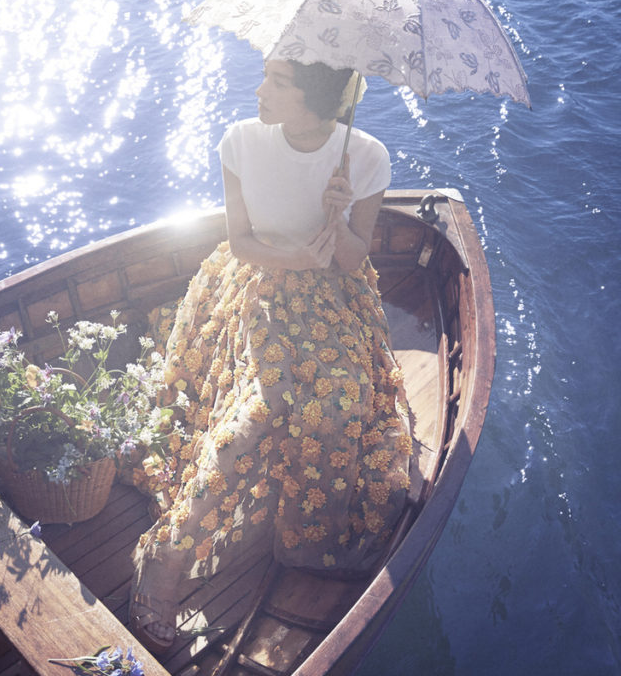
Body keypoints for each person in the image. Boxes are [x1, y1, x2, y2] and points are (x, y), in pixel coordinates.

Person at [129, 59, 412, 653]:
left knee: (338, 404)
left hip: (333, 298)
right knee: (258, 410)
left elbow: (353, 260)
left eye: (277, 83)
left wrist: (338, 218)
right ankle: (167, 555)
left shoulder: (365, 157)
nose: (258, 90)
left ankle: (302, 535)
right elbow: (242, 242)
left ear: (317, 98)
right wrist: (297, 260)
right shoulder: (240, 142)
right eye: (265, 76)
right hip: (257, 285)